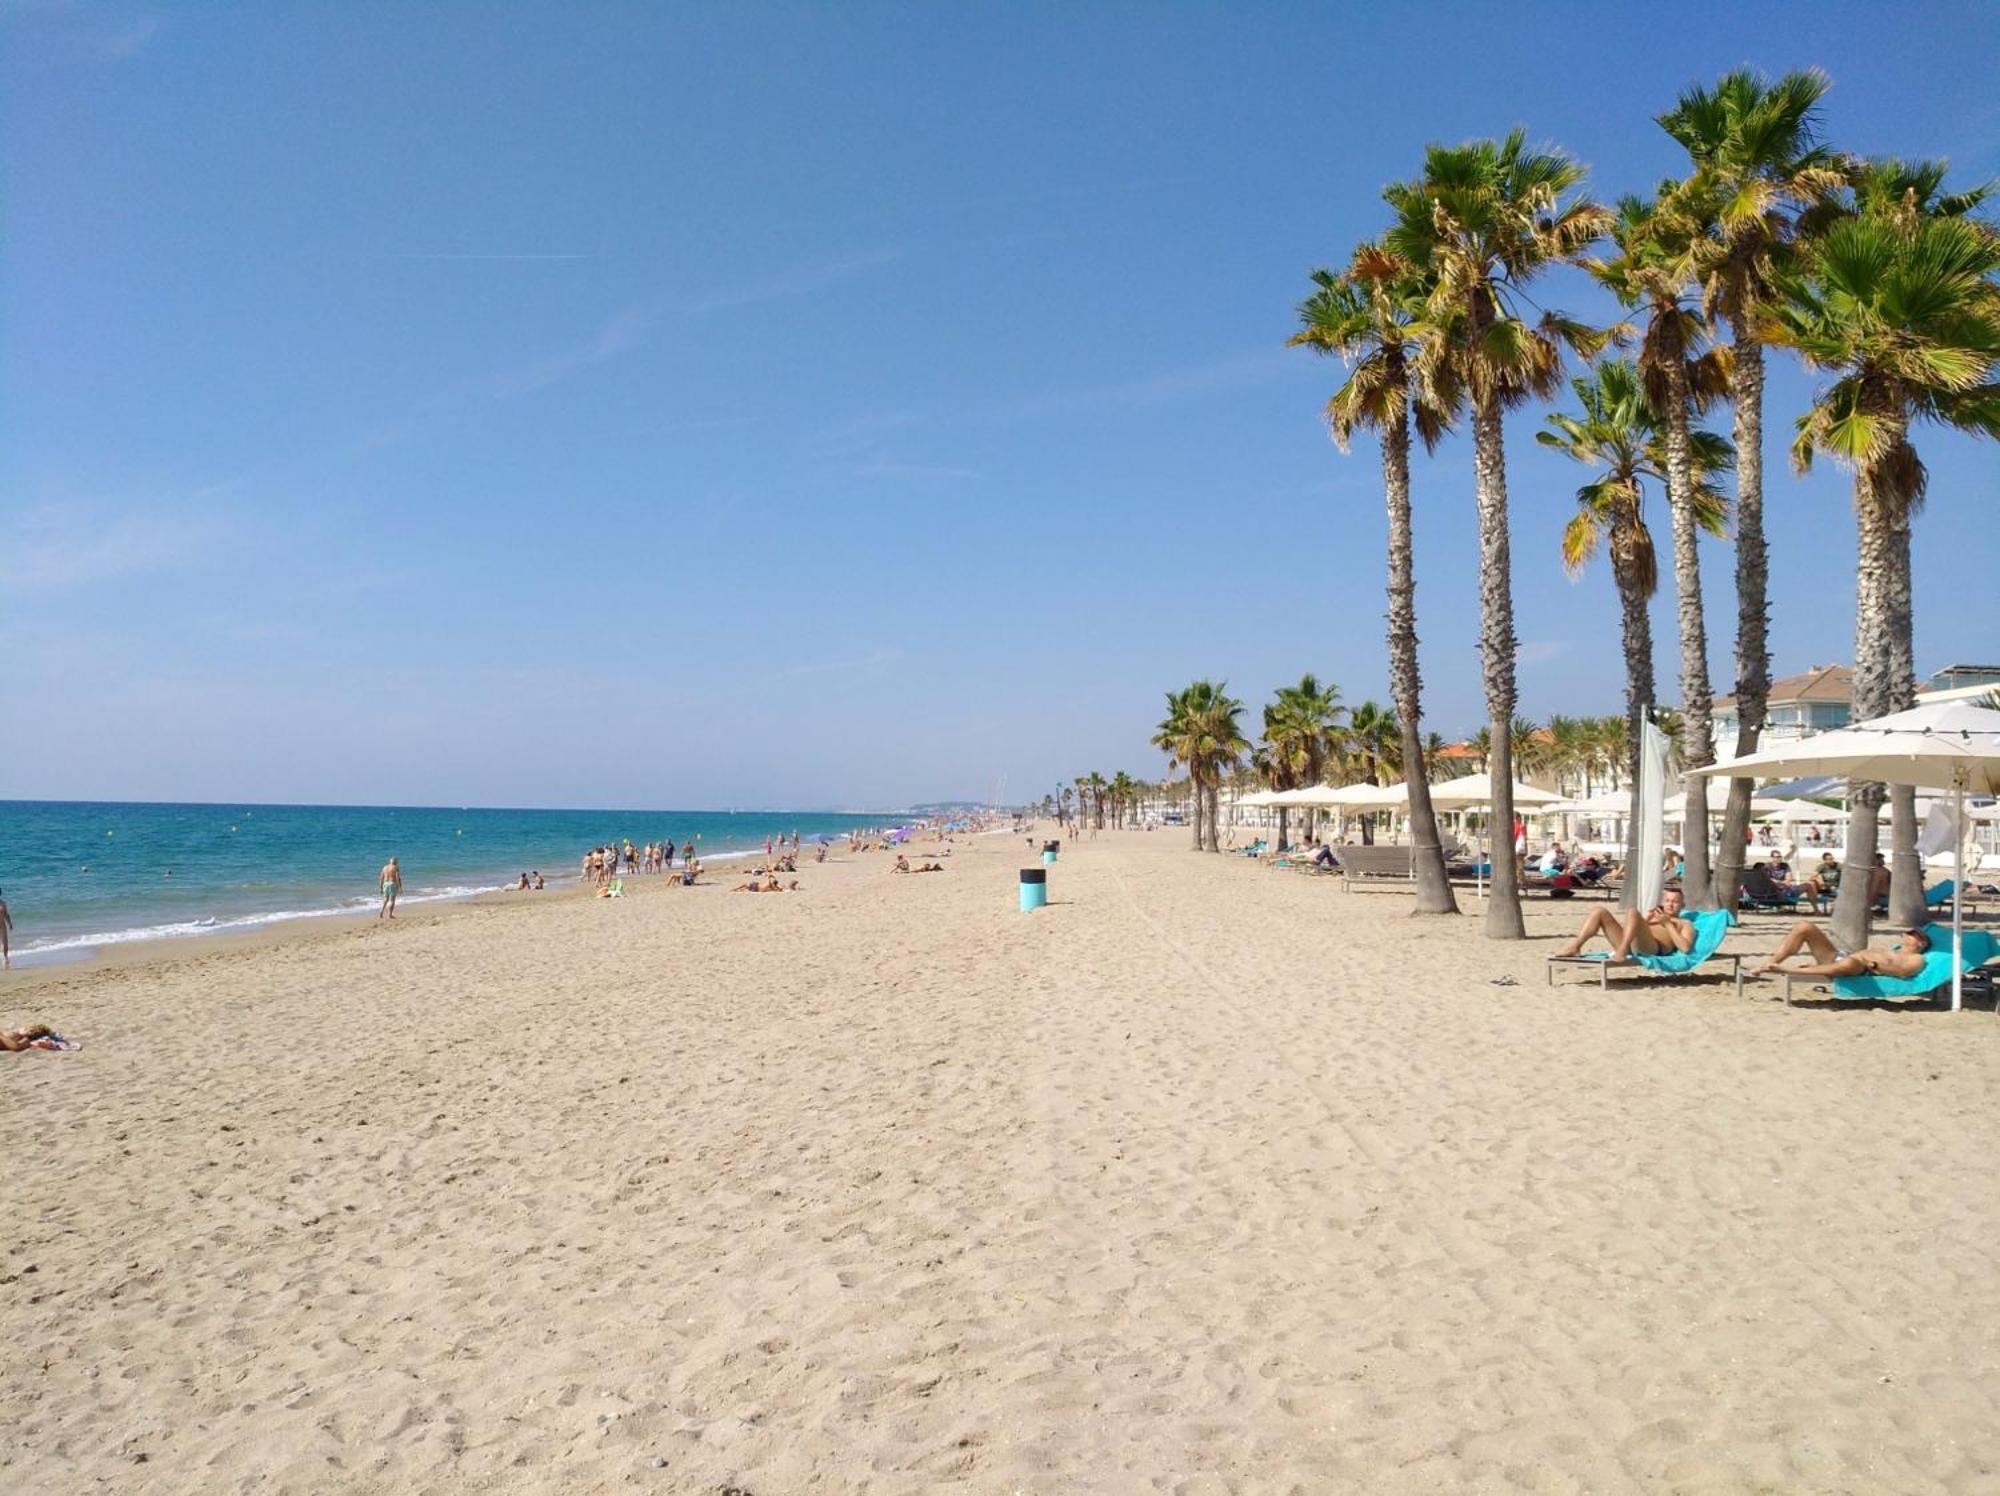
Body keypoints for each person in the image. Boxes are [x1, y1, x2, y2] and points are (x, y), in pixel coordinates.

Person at [1553, 886, 1695, 963]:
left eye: (1675, 901)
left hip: (1652, 948)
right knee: (1599, 911)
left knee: (1633, 911)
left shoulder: (1684, 923)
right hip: (1632, 943)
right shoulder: (1655, 916)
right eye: (1668, 900)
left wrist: (1668, 924)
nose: (1670, 904)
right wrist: (1646, 921)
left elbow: (1686, 948)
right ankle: (1576, 946)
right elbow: (1633, 930)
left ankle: (1622, 949)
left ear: (1682, 905)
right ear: (1663, 902)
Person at [1751, 921, 1930, 981]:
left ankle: (1789, 971)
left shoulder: (1917, 960)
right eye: (1907, 932)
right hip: (1841, 958)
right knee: (1805, 926)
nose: (1906, 934)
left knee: (1851, 961)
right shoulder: (1892, 949)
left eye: (1912, 934)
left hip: (1860, 968)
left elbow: (1902, 972)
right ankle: (1770, 963)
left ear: (1921, 943)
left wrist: (1873, 965)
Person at [0, 886, 10, 969]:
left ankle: (5, 957)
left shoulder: (3, 903)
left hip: (2, 925)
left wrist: (10, 923)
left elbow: (6, 914)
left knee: (5, 943)